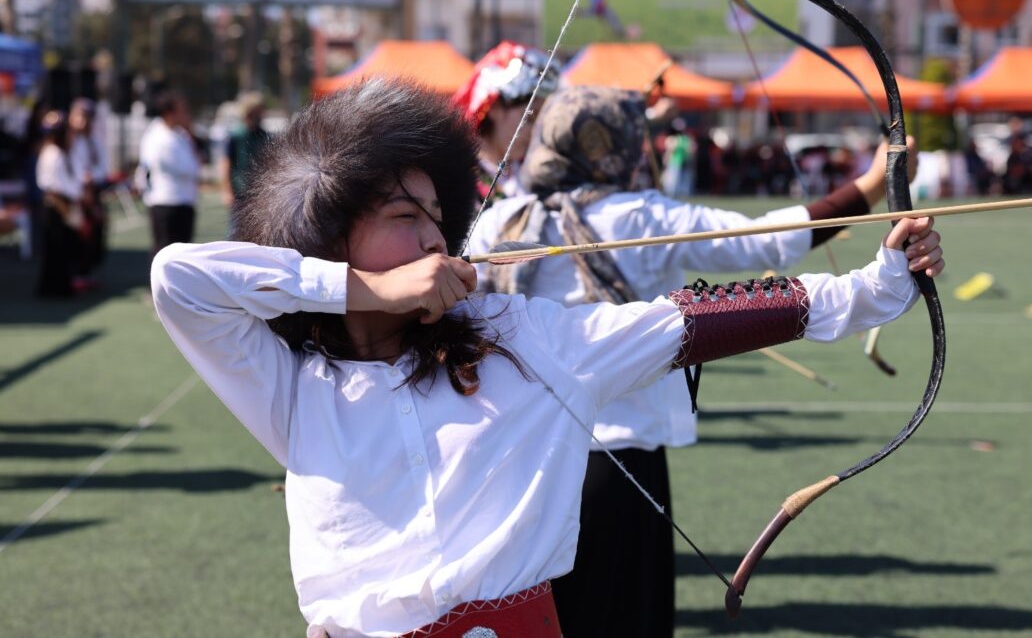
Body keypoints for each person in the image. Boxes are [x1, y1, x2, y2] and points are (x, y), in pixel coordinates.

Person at [150, 78, 944, 637]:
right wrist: (371, 292)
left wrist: (877, 289)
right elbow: (179, 279)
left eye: (437, 216)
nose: (433, 235)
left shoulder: (522, 338)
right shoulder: (292, 389)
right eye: (403, 215)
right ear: (329, 235)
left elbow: (685, 321)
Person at [465, 85, 922, 638]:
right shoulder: (638, 215)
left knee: (549, 616)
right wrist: (874, 183)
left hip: (522, 455)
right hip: (620, 458)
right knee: (624, 620)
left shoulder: (500, 219)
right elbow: (767, 242)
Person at [453, 41, 561, 208]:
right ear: (495, 107)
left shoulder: (536, 172)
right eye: (529, 118)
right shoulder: (458, 176)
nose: (535, 131)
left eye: (542, 121)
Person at [138, 91, 201, 258]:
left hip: (183, 201)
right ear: (169, 113)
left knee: (182, 254)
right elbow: (189, 169)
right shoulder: (158, 137)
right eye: (181, 110)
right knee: (165, 253)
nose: (185, 114)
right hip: (167, 204)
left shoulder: (180, 134)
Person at [35, 110, 86, 297]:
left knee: (63, 249)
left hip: (65, 203)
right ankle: (53, 288)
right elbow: (51, 188)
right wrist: (66, 211)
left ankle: (61, 286)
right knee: (55, 249)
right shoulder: (52, 153)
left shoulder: (62, 153)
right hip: (57, 206)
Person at [69, 98, 109, 282]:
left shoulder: (94, 139)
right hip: (76, 195)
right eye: (80, 116)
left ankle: (87, 271)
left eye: (88, 117)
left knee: (95, 233)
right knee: (78, 234)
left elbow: (102, 167)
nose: (84, 121)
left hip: (93, 191)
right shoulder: (69, 140)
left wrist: (92, 178)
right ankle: (76, 272)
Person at [219, 91, 270, 209]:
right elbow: (226, 163)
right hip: (240, 190)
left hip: (259, 193)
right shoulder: (235, 135)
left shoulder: (264, 136)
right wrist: (227, 191)